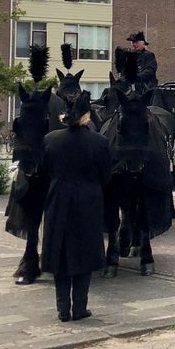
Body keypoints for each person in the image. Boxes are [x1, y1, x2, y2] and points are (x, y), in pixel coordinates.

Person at [39, 94, 111, 322]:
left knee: (60, 253)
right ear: (87, 116)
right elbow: (106, 176)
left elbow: (43, 173)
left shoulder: (50, 139)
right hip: (88, 202)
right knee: (85, 254)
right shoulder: (99, 142)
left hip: (57, 200)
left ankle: (62, 309)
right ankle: (80, 307)